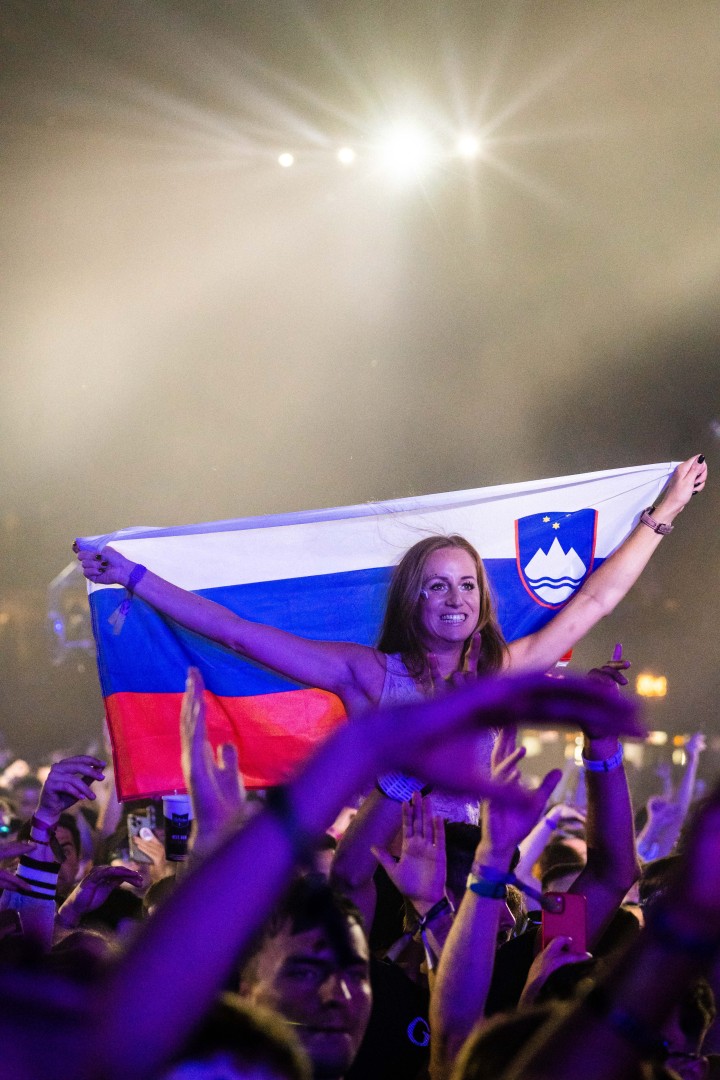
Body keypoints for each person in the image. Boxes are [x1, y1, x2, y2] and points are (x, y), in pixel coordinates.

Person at [74, 456, 707, 719]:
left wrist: (667, 508)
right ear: (412, 600)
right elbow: (239, 634)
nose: (456, 597)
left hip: (474, 877)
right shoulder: (368, 675)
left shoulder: (503, 668)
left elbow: (596, 597)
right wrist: (132, 576)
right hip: (380, 879)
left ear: (483, 601)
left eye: (466, 584)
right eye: (437, 587)